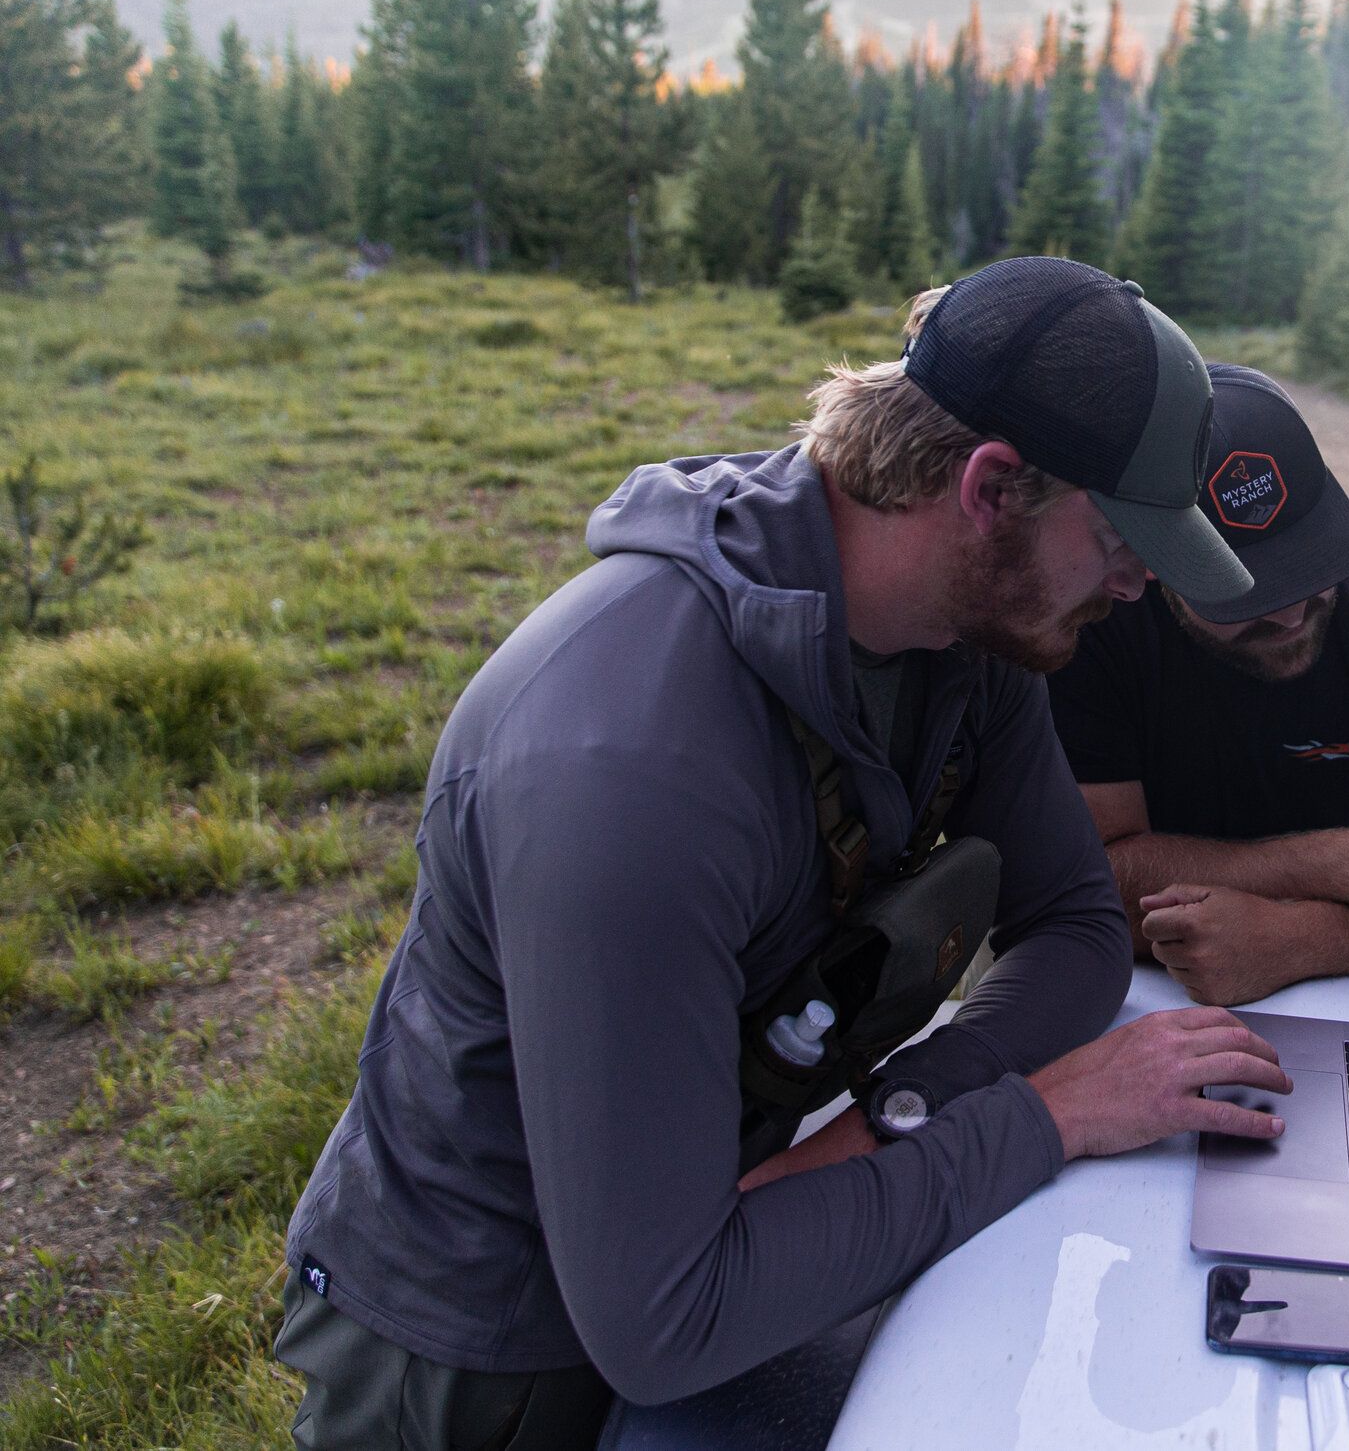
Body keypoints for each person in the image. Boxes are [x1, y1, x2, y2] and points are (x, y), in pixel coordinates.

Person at [276, 260, 1294, 1449]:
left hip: (733, 1247)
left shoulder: (968, 636)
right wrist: (1045, 1117)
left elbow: (1073, 926)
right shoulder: (629, 765)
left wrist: (890, 1120)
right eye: (1123, 537)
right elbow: (665, 1319)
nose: (1137, 583)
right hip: (490, 1355)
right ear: (993, 486)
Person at [1048, 364, 1349, 1008]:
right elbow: (1078, 883)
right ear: (1156, 563)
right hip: (1110, 976)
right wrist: (1345, 862)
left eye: (1309, 566)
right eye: (1245, 591)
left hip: (1331, 985)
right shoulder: (1092, 614)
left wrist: (1299, 941)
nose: (1290, 614)